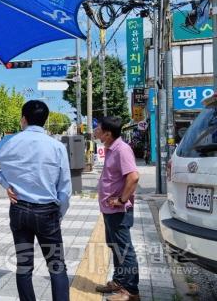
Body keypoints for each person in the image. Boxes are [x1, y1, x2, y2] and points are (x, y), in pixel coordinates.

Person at [0, 100, 72, 301]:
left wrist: (5, 184)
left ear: (23, 119)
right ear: (45, 121)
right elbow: (65, 189)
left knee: (24, 265)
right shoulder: (56, 146)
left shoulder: (10, 141)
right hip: (47, 212)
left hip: (19, 209)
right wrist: (59, 215)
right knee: (56, 266)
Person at [93, 117, 140, 301]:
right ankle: (119, 282)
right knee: (115, 247)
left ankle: (131, 292)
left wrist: (121, 200)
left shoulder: (122, 150)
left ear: (108, 133)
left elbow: (133, 177)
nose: (95, 131)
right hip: (109, 210)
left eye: (98, 128)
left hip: (119, 211)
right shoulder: (111, 149)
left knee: (125, 250)